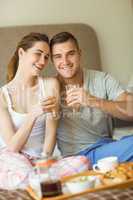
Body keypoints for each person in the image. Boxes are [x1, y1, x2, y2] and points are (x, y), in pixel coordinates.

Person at [50, 31, 133, 165]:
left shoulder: (102, 79)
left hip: (109, 148)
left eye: (71, 54)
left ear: (80, 54)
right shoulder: (49, 88)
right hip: (79, 158)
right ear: (52, 60)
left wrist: (93, 101)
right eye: (58, 56)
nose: (65, 61)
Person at [0, 32, 60, 159]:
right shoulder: (2, 96)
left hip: (41, 158)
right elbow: (12, 147)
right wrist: (33, 114)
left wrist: (44, 162)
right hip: (12, 158)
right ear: (21, 53)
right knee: (22, 173)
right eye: (38, 54)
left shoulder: (50, 85)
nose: (43, 61)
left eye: (46, 57)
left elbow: (51, 132)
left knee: (81, 162)